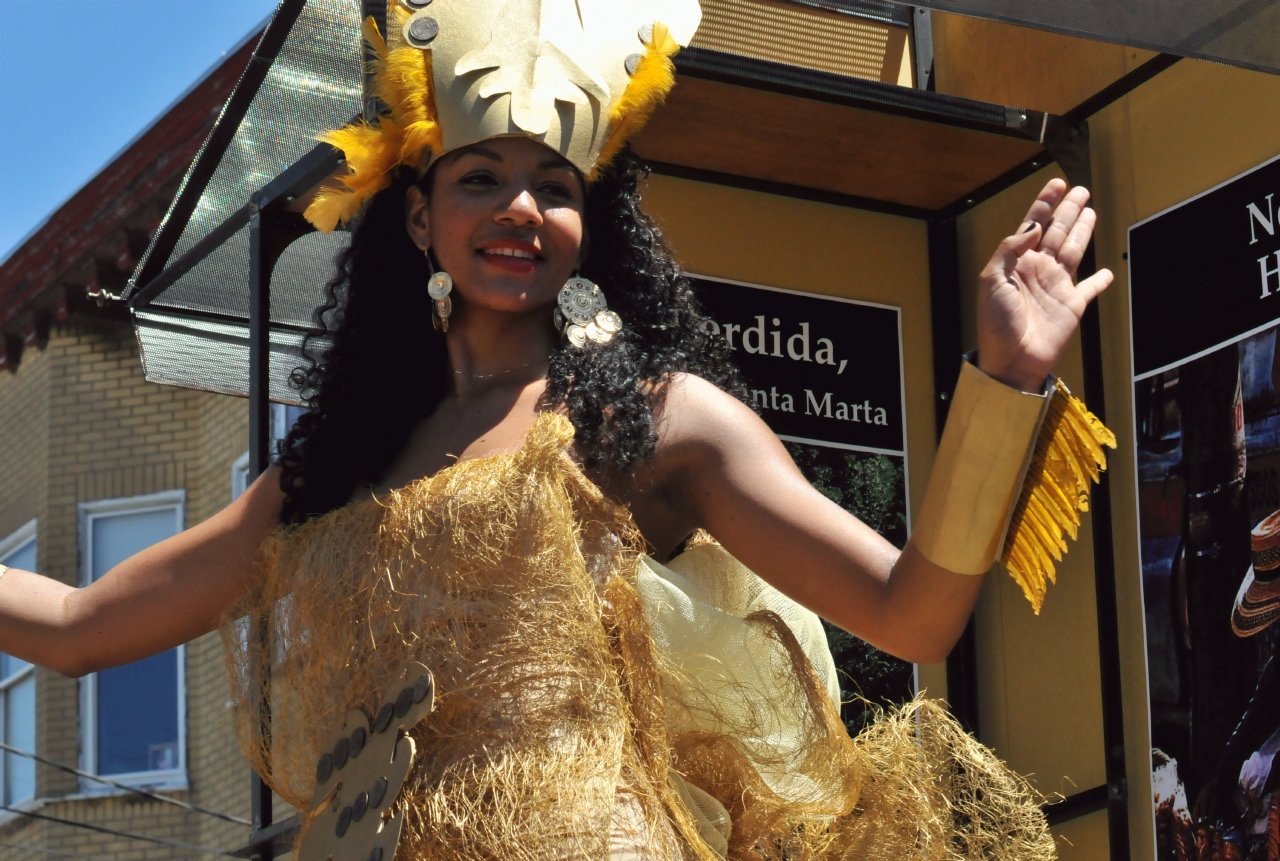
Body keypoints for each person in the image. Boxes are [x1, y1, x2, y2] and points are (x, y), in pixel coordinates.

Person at [0, 3, 1114, 859]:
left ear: (591, 226)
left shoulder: (656, 429)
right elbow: (79, 626)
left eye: (554, 185)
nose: (519, 209)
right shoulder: (331, 474)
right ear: (417, 217)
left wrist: (1002, 377)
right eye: (480, 177)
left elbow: (912, 613)